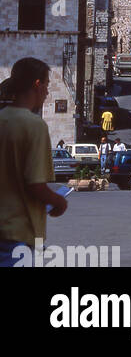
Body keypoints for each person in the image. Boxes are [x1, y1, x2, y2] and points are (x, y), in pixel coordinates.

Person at [0, 58, 69, 267]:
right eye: (47, 84)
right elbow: (35, 185)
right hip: (18, 232)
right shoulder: (34, 126)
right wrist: (59, 201)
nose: (48, 91)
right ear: (37, 84)